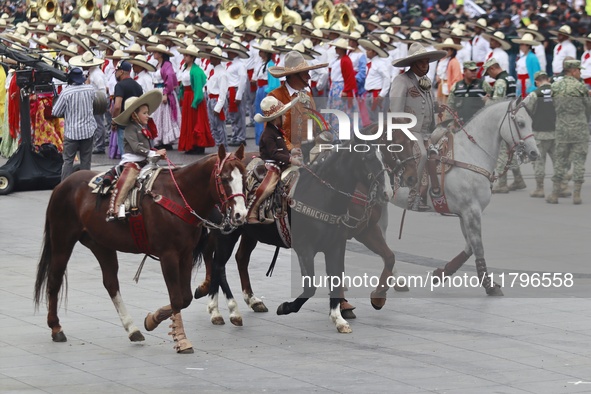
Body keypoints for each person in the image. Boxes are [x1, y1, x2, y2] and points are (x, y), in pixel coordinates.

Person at [389, 42, 447, 211]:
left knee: (444, 148)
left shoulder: (426, 81)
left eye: (426, 62)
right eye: (421, 63)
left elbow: (428, 102)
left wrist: (437, 106)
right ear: (412, 64)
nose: (425, 66)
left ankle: (436, 192)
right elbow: (396, 109)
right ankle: (412, 198)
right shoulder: (402, 81)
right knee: (421, 155)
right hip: (409, 131)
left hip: (427, 130)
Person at [109, 90, 166, 220]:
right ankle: (115, 207)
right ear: (134, 115)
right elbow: (136, 148)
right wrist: (153, 152)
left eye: (148, 113)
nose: (148, 116)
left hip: (145, 161)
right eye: (145, 113)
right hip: (132, 162)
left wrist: (156, 153)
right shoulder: (130, 128)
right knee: (128, 178)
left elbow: (146, 147)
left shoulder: (142, 127)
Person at [248, 96, 302, 224]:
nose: (285, 117)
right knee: (266, 188)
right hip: (271, 166)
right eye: (282, 115)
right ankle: (252, 213)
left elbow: (280, 150)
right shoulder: (268, 134)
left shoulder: (277, 131)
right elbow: (274, 154)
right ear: (276, 118)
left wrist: (291, 152)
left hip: (281, 163)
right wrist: (291, 159)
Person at [547, 60, 591, 205]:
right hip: (580, 130)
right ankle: (577, 195)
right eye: (579, 70)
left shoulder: (555, 86)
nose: (580, 72)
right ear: (572, 71)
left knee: (560, 161)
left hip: (562, 129)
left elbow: (554, 106)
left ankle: (554, 194)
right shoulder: (581, 87)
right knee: (579, 161)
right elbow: (588, 107)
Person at [267, 51, 328, 153]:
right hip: (286, 155)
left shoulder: (307, 95)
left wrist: (322, 126)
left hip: (310, 150)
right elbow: (272, 133)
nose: (309, 77)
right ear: (294, 76)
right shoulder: (275, 97)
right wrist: (290, 149)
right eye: (305, 74)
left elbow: (312, 121)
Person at [482, 57, 525, 194]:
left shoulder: (500, 81)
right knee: (510, 150)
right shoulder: (511, 78)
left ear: (493, 68)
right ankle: (518, 179)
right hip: (511, 117)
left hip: (502, 120)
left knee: (502, 152)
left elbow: (497, 103)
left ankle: (501, 183)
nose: (490, 76)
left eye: (489, 73)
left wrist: (488, 100)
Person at [51, 68, 97, 181]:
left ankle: (65, 186)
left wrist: (66, 113)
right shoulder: (90, 89)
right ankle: (85, 185)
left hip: (72, 132)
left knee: (68, 161)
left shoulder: (66, 92)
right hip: (88, 130)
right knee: (86, 161)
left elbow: (55, 112)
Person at [523, 71, 556, 198]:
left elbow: (525, 110)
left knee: (538, 162)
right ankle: (562, 186)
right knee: (558, 161)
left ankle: (540, 188)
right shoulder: (557, 91)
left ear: (536, 82)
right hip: (555, 132)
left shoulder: (534, 94)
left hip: (539, 133)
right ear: (547, 79)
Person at [177, 44, 214, 154]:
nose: (185, 57)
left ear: (192, 57)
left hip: (193, 97)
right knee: (188, 121)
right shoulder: (185, 68)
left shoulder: (196, 70)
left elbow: (198, 87)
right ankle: (190, 145)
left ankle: (198, 145)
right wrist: (181, 95)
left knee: (196, 121)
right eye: (184, 55)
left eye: (187, 55)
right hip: (187, 96)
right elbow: (183, 84)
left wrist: (196, 100)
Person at [147, 44, 181, 150]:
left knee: (165, 116)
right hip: (157, 90)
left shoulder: (167, 65)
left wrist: (165, 93)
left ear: (160, 54)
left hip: (163, 91)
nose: (153, 54)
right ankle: (160, 138)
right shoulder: (159, 64)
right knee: (158, 116)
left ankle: (166, 140)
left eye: (155, 52)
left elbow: (170, 79)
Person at [197, 46, 229, 148]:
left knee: (220, 127)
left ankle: (224, 149)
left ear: (218, 59)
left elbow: (223, 92)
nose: (211, 59)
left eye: (213, 58)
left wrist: (219, 106)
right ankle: (219, 147)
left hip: (217, 99)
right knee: (214, 127)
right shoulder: (213, 70)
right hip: (211, 99)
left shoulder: (222, 73)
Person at [111, 61, 143, 159]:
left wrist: (114, 121)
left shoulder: (120, 85)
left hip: (123, 123)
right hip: (136, 123)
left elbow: (117, 106)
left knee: (125, 155)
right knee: (135, 153)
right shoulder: (137, 85)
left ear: (121, 72)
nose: (115, 73)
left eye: (116, 71)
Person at [252, 40, 280, 145]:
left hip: (264, 91)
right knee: (259, 115)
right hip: (260, 90)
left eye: (262, 51)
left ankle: (265, 138)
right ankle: (261, 138)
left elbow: (273, 83)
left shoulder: (270, 64)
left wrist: (266, 91)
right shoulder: (263, 64)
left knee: (265, 116)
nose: (260, 53)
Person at [512, 33, 541, 98]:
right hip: (520, 82)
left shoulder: (533, 57)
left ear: (528, 45)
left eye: (522, 44)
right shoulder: (521, 57)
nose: (520, 46)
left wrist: (534, 87)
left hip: (528, 82)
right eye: (520, 44)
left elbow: (536, 73)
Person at [435, 38, 463, 103]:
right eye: (444, 49)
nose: (446, 51)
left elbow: (457, 78)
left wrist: (452, 90)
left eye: (447, 49)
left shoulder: (454, 62)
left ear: (452, 51)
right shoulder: (442, 60)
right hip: (441, 86)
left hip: (449, 87)